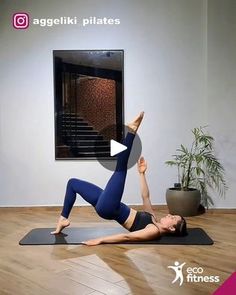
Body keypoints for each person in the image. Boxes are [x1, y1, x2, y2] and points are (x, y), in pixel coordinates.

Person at [51, 112, 187, 245]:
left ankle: (132, 130)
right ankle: (62, 220)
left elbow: (127, 237)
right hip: (107, 203)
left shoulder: (153, 230)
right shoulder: (153, 218)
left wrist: (100, 240)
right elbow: (145, 197)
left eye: (173, 218)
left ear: (171, 228)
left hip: (110, 208)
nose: (170, 215)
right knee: (73, 183)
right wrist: (142, 173)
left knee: (121, 169)